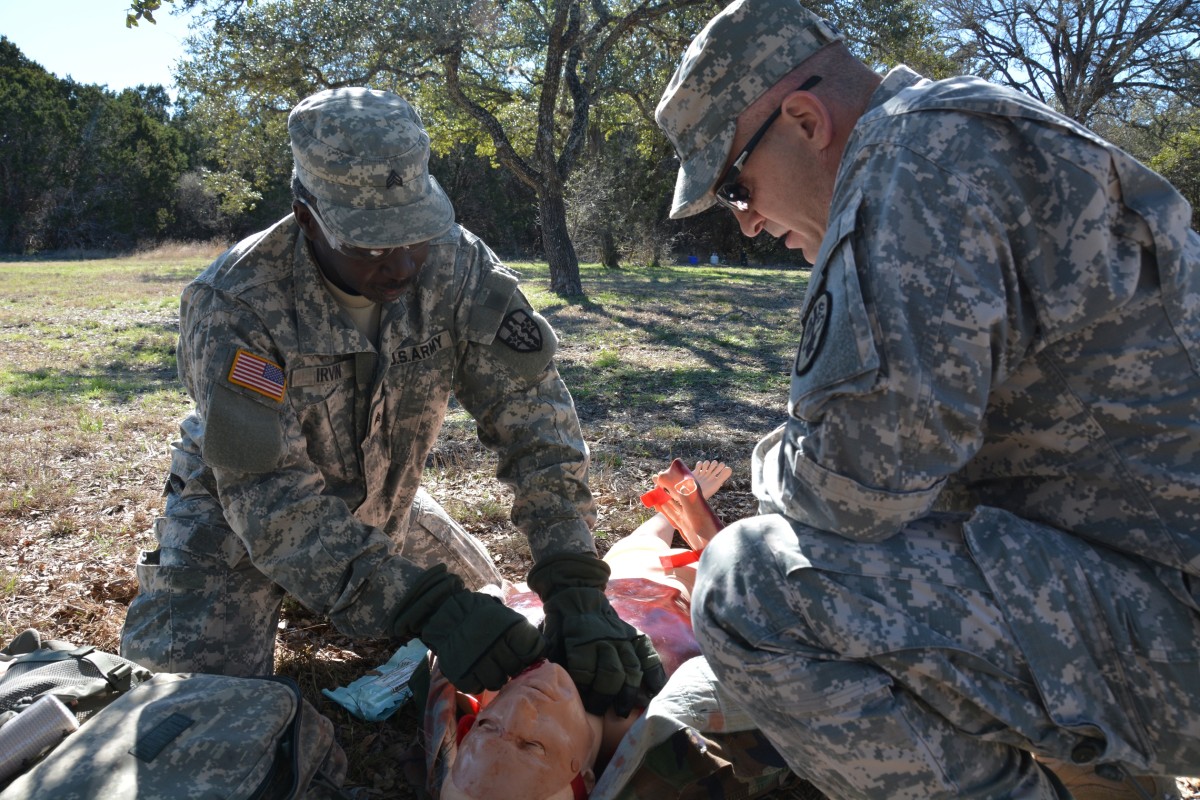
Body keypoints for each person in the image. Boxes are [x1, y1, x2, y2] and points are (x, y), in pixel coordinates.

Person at [654, 1, 1200, 799]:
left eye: (738, 187)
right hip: (1155, 600)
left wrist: (762, 468)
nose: (748, 225)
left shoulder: (911, 153)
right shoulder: (967, 135)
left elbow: (851, 491)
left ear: (805, 120)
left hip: (1171, 626)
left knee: (753, 587)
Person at [119, 87, 663, 716]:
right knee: (185, 711)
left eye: (418, 232)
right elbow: (267, 498)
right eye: (372, 244)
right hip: (233, 522)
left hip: (382, 506)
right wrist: (421, 604)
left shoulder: (459, 266)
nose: (404, 265)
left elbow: (535, 421)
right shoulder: (237, 303)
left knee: (494, 608)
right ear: (306, 215)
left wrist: (574, 580)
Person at [423, 460, 792, 800]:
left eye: (487, 728)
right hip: (671, 598)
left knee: (631, 551)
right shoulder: (665, 717)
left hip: (598, 587)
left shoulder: (484, 676)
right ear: (584, 775)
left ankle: (670, 512)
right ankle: (693, 514)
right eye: (532, 745)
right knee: (719, 572)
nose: (519, 708)